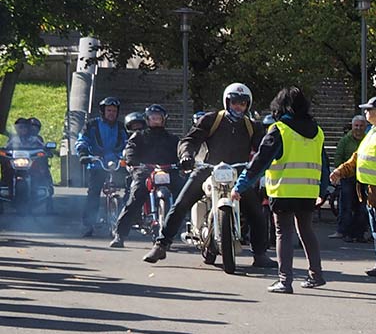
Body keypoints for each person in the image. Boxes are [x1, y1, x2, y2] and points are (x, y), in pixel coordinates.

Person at [143, 83, 271, 267]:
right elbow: (190, 140)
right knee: (180, 204)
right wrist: (186, 155)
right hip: (208, 169)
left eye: (243, 103)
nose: (238, 106)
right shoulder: (211, 120)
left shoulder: (253, 126)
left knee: (257, 211)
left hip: (238, 173)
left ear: (248, 105)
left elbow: (262, 149)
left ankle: (260, 254)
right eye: (235, 102)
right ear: (227, 101)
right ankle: (161, 245)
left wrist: (266, 161)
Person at [233, 87, 327, 293]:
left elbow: (260, 161)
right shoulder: (317, 131)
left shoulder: (280, 129)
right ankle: (316, 275)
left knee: (282, 232)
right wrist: (324, 189)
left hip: (284, 190)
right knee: (306, 230)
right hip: (309, 191)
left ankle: (285, 280)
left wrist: (240, 186)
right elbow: (324, 163)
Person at [329, 95, 376, 278]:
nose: (365, 113)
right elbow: (358, 157)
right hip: (372, 190)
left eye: (369, 110)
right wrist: (341, 171)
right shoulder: (374, 130)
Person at [110, 105, 179, 247]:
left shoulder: (172, 139)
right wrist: (132, 161)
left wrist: (183, 161)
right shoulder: (139, 136)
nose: (156, 120)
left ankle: (189, 227)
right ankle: (119, 235)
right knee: (135, 197)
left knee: (185, 194)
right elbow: (130, 150)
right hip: (144, 171)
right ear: (147, 120)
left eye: (158, 118)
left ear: (164, 119)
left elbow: (180, 152)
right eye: (153, 118)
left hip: (168, 171)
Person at [77, 96, 128, 235]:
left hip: (117, 164)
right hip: (97, 164)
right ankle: (88, 224)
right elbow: (82, 140)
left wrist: (128, 156)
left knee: (131, 189)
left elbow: (127, 144)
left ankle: (128, 220)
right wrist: (83, 154)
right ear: (103, 111)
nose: (111, 113)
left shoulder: (121, 127)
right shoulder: (92, 125)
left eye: (114, 110)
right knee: (93, 193)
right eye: (109, 110)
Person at [331, 115, 367, 242]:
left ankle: (359, 233)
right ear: (352, 126)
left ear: (365, 126)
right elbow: (338, 158)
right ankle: (342, 231)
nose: (358, 128)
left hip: (364, 179)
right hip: (348, 178)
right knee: (345, 206)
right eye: (356, 125)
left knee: (362, 207)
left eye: (361, 125)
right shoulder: (345, 141)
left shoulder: (368, 140)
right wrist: (340, 173)